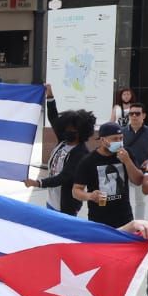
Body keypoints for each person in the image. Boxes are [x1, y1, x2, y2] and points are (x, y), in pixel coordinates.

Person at [26, 88, 97, 216]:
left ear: (81, 132)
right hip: (51, 200)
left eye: (72, 130)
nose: (67, 131)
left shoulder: (81, 153)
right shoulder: (63, 141)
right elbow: (54, 118)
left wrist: (38, 183)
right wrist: (50, 97)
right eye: (66, 128)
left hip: (65, 205)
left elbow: (64, 177)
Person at [73, 123, 143, 227]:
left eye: (121, 138)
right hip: (99, 219)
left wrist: (127, 161)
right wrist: (90, 196)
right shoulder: (88, 161)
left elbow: (138, 180)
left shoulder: (126, 154)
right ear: (103, 140)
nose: (119, 142)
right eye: (115, 139)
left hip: (125, 217)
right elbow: (76, 191)